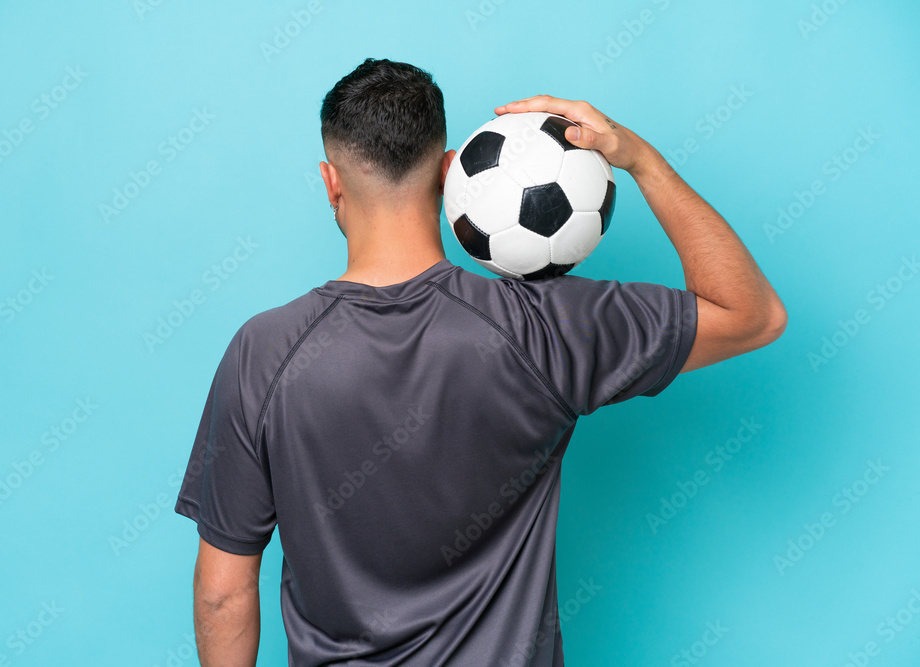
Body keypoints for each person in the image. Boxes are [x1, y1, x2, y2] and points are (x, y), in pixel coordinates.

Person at [174, 57, 786, 666]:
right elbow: (753, 315)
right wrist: (639, 158)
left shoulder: (263, 352)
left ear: (330, 181)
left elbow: (223, 594)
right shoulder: (546, 327)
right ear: (449, 174)